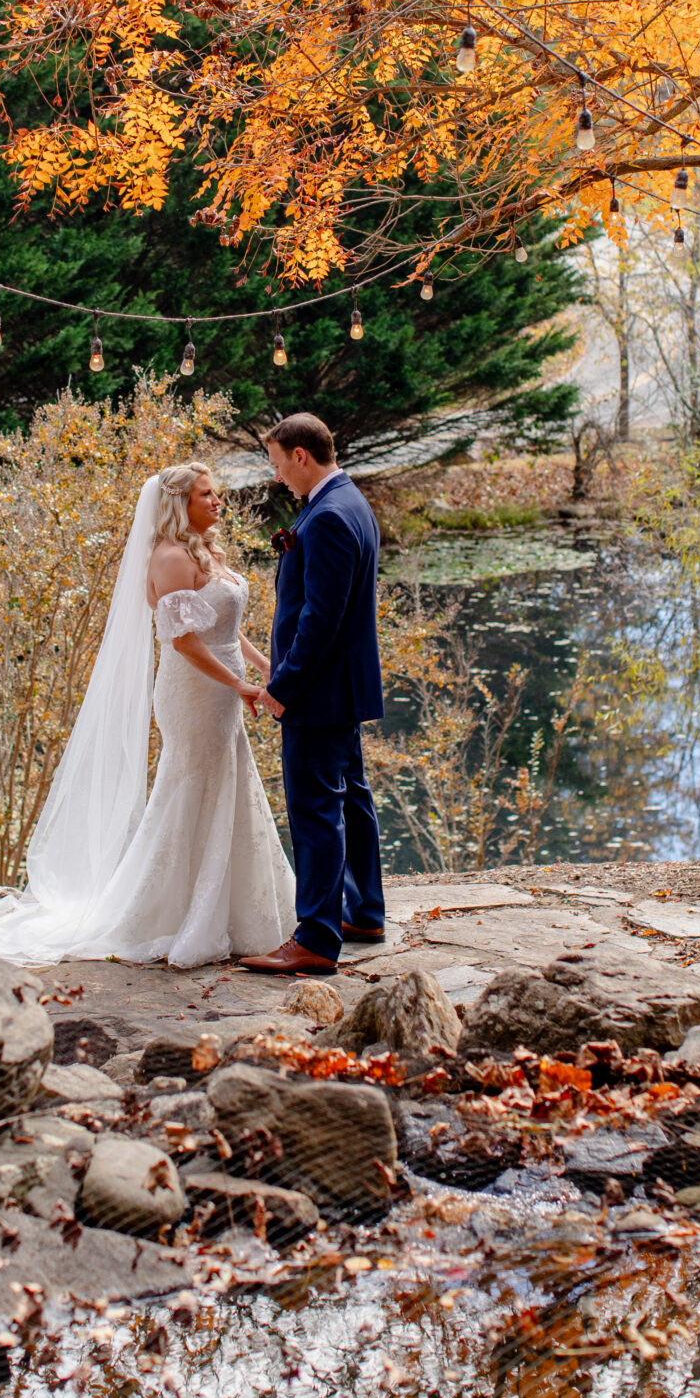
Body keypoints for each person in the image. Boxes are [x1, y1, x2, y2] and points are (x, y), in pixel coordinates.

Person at [0, 462, 296, 968]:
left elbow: (221, 624)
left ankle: (233, 908)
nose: (218, 501)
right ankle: (171, 912)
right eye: (206, 495)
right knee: (192, 785)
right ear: (180, 503)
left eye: (216, 493)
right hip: (194, 691)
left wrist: (266, 665)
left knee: (229, 781)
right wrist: (240, 683)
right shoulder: (171, 558)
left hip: (221, 687)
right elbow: (183, 642)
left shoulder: (204, 551)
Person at [242, 413, 385, 978]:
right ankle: (364, 911)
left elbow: (319, 620)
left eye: (278, 464)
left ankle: (317, 939)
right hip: (343, 687)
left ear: (301, 456)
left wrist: (282, 687)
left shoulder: (326, 517)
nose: (277, 477)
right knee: (351, 797)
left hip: (318, 691)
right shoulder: (349, 501)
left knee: (315, 810)